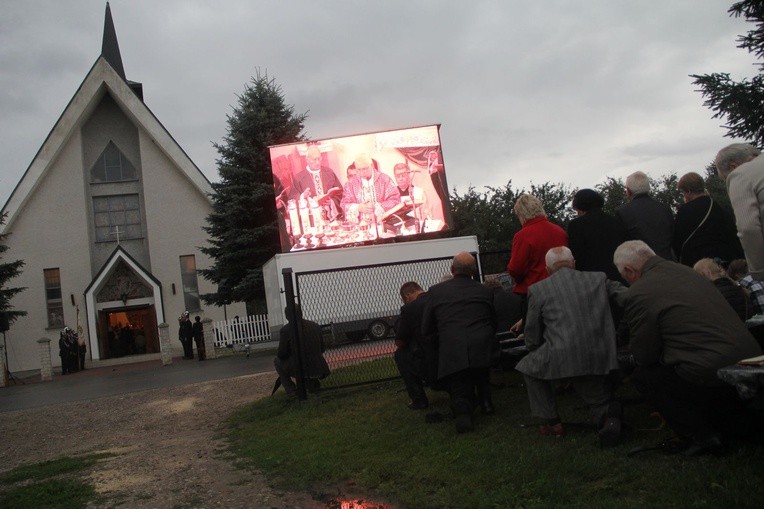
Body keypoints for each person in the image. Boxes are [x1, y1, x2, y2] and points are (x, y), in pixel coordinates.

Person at [613, 240, 762, 455]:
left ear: (629, 270)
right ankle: (728, 420)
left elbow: (645, 354)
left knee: (644, 376)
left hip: (712, 369)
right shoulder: (687, 271)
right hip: (748, 357)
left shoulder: (639, 292)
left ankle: (703, 437)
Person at [515, 247, 625, 446]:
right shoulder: (599, 279)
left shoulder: (538, 290)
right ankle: (607, 417)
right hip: (601, 351)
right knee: (596, 396)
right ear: (573, 263)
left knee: (528, 368)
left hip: (560, 354)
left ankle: (552, 421)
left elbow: (531, 335)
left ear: (547, 269)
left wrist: (535, 348)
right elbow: (629, 297)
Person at [422, 252, 498, 433]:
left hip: (452, 345)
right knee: (481, 372)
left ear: (452, 269)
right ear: (473, 271)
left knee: (459, 383)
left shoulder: (436, 291)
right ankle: (486, 402)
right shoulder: (485, 290)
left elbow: (427, 327)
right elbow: (492, 320)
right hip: (481, 343)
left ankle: (463, 411)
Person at [507, 194, 568, 325]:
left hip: (534, 293)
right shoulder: (559, 231)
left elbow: (516, 268)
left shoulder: (522, 236)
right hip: (562, 290)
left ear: (522, 214)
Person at [714, 143, 764, 279]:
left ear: (733, 167)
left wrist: (759, 271)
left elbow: (748, 228)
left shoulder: (739, 174)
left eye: (725, 178)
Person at [673, 172, 742, 267]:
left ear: (688, 191)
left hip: (699, 264)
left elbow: (678, 240)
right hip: (725, 261)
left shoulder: (685, 211)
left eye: (683, 192)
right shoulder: (719, 208)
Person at [567, 188, 624, 282]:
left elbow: (576, 255)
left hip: (591, 280)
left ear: (580, 208)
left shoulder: (576, 225)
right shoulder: (615, 222)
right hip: (617, 276)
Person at [615, 171, 675, 260]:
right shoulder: (664, 208)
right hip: (667, 262)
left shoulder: (623, 212)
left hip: (641, 265)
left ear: (628, 191)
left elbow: (621, 243)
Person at [275, 305, 331, 397]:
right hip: (319, 366)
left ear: (287, 316)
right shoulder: (315, 326)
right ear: (301, 313)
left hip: (301, 367)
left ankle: (291, 390)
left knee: (277, 361)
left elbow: (281, 354)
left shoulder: (286, 330)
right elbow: (322, 349)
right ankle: (311, 382)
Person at [394, 281, 431, 410]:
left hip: (428, 357)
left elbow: (400, 341)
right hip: (449, 350)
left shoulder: (409, 309)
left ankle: (418, 399)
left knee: (401, 354)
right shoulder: (436, 298)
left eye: (404, 299)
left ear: (408, 295)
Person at [340, 153, 401, 223]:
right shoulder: (350, 184)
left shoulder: (385, 179)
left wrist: (377, 206)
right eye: (358, 170)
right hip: (360, 225)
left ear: (371, 165)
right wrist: (358, 207)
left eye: (364, 169)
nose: (362, 172)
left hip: (382, 222)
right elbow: (344, 204)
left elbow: (395, 200)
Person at [290, 146, 343, 222]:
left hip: (331, 218)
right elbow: (292, 200)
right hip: (312, 220)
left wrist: (331, 202)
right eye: (314, 159)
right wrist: (302, 197)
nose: (318, 162)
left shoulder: (329, 172)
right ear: (307, 160)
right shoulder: (299, 178)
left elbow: (341, 194)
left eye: (319, 159)